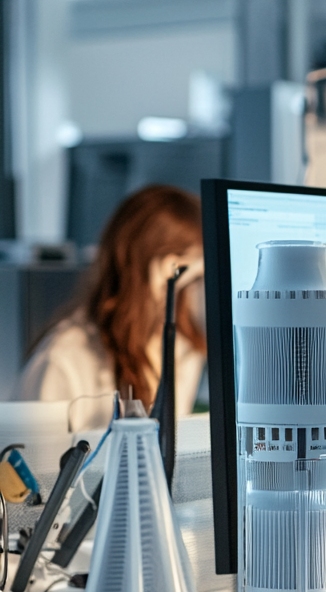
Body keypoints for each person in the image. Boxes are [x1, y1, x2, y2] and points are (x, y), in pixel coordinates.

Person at [19, 185, 206, 431]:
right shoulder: (65, 358)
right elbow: (30, 465)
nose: (188, 293)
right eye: (188, 278)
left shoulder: (183, 346)